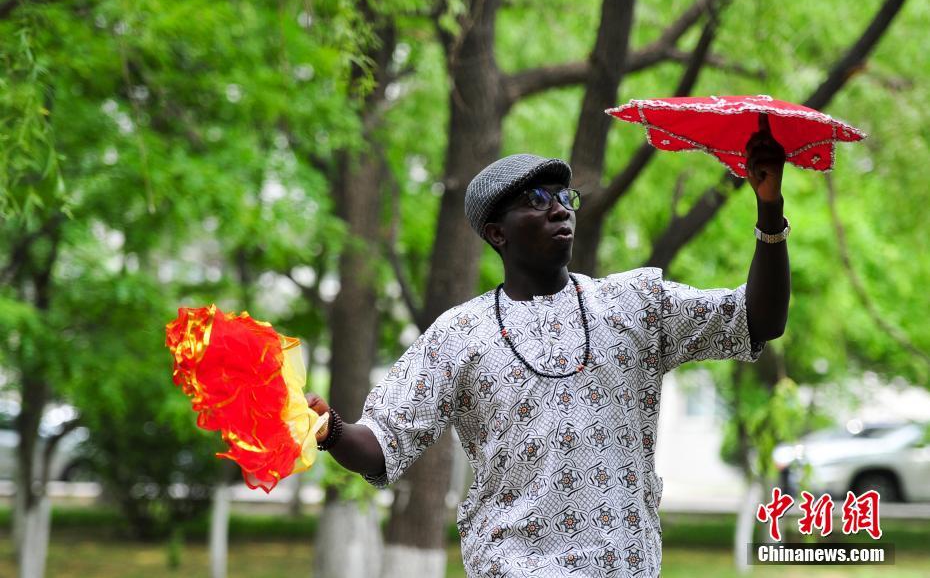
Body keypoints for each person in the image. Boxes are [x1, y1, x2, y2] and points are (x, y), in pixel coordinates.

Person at [307, 128, 790, 577]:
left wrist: (769, 209)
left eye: (564, 198)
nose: (560, 209)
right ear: (498, 233)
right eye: (536, 200)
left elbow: (758, 319)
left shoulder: (636, 304)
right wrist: (330, 430)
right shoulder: (458, 334)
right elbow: (381, 447)